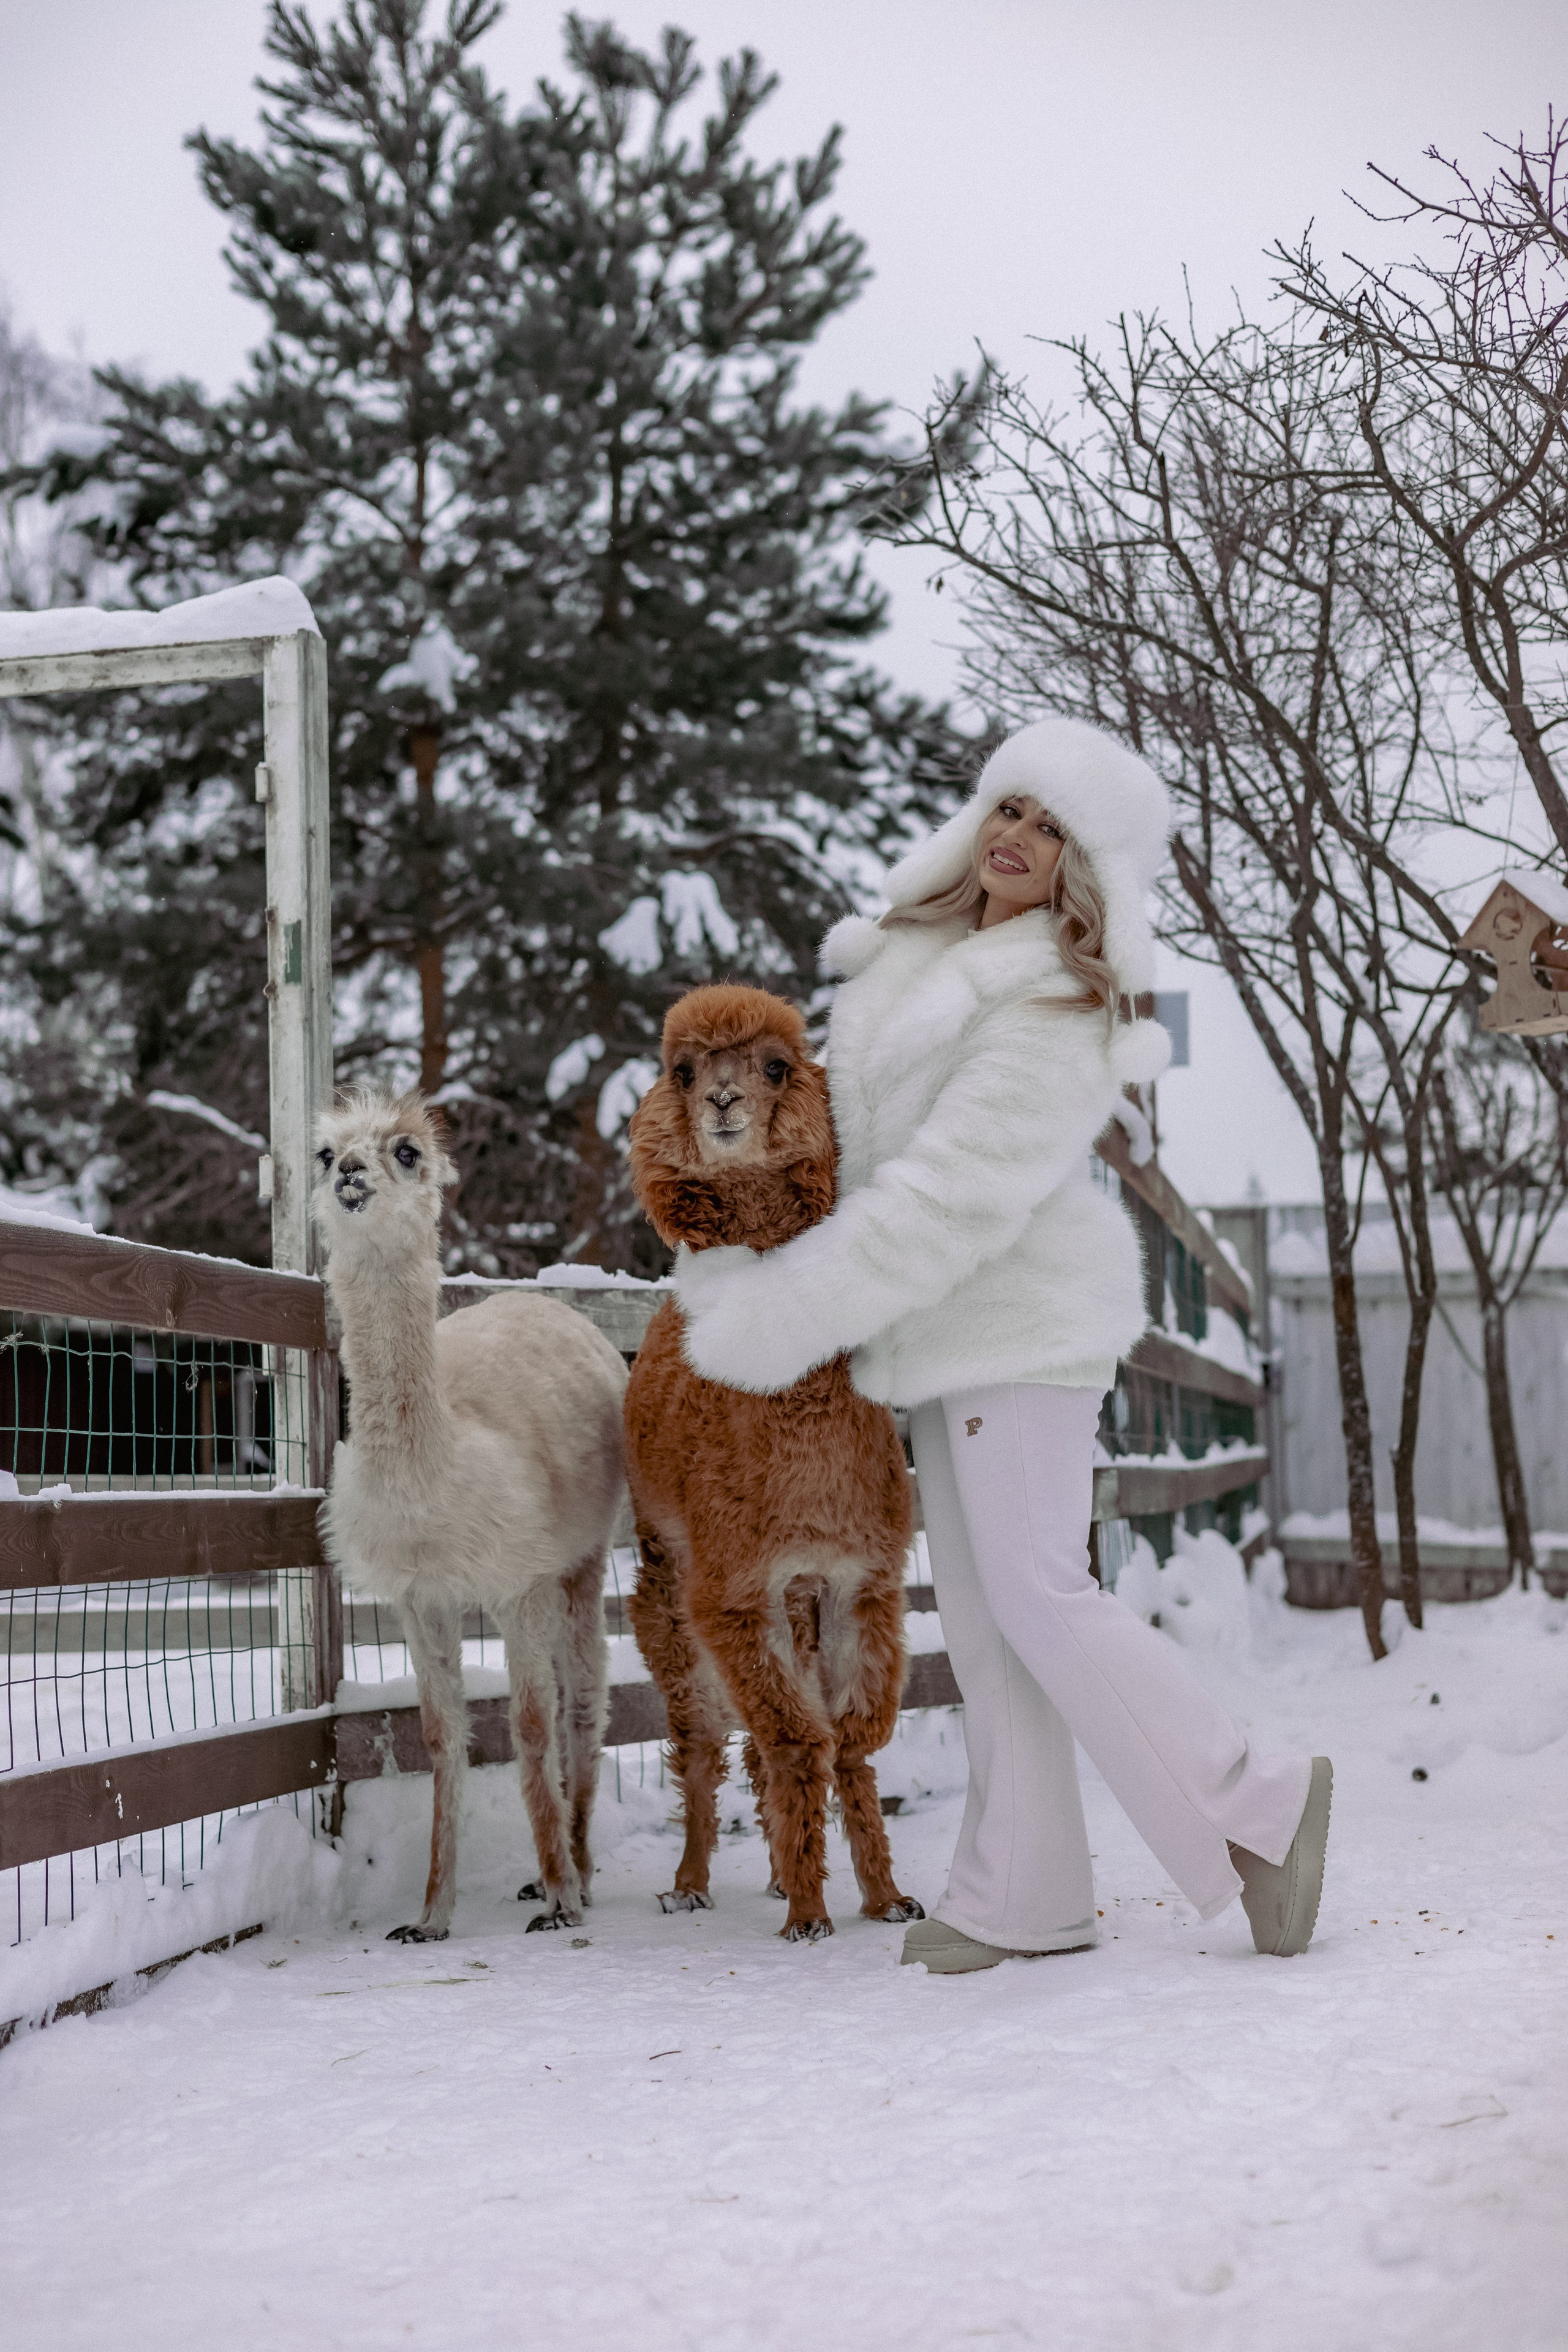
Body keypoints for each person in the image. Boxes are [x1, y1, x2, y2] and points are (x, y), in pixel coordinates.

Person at [675, 716, 1331, 1975]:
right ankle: (1023, 1892)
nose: (1021, 839)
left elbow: (949, 1195)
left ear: (1086, 870)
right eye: (1011, 811)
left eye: (1053, 829)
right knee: (983, 1623)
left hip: (1014, 1316)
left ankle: (1260, 1800)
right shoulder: (913, 958)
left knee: (1036, 1589)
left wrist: (782, 1316)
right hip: (936, 1329)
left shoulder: (1053, 997)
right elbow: (849, 1153)